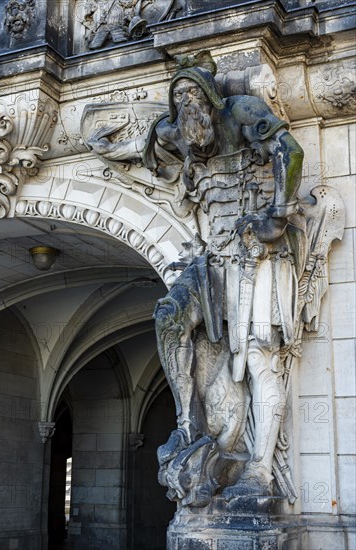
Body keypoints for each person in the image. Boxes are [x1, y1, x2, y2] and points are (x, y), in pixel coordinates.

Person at [87, 55, 305, 502]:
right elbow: (133, 139)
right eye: (178, 96)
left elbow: (291, 151)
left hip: (256, 254)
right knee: (169, 316)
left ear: (209, 97)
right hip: (210, 262)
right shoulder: (180, 133)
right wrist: (90, 133)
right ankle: (189, 422)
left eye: (192, 93)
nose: (186, 101)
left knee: (260, 359)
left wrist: (277, 215)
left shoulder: (238, 112)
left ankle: (260, 467)